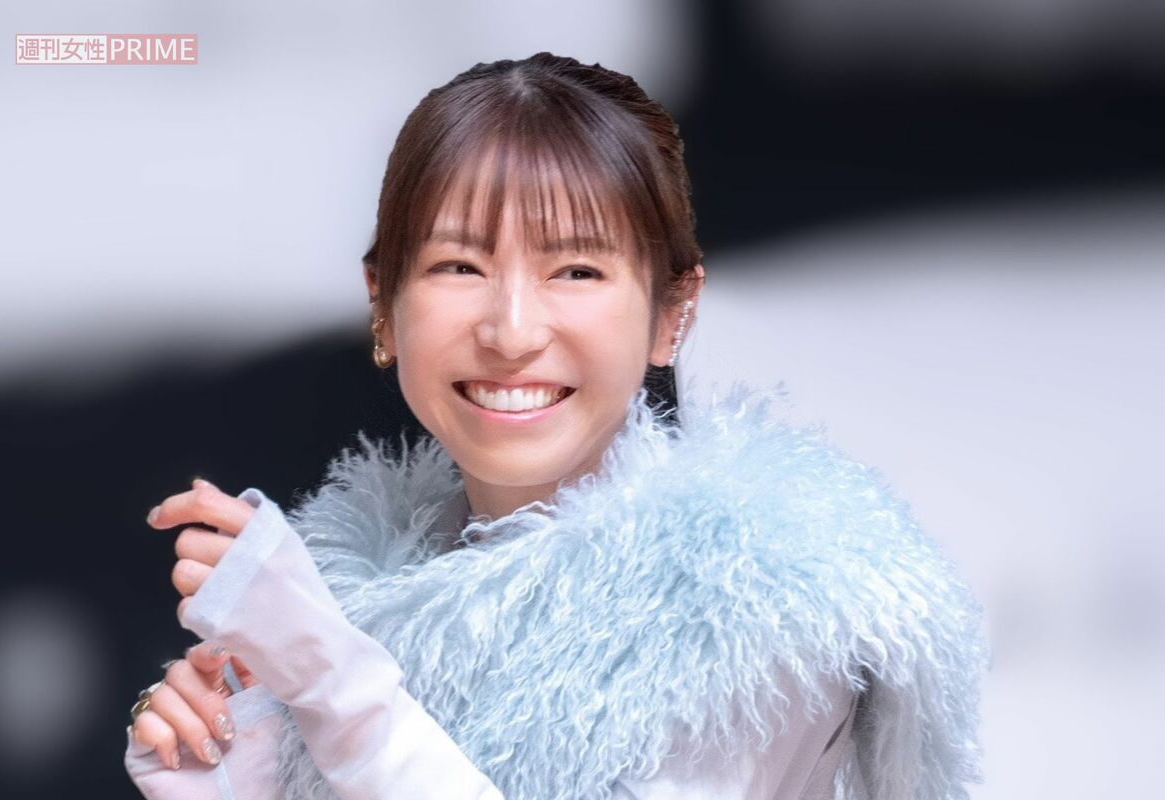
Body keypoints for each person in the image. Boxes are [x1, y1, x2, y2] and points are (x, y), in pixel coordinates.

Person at [124, 53, 988, 800]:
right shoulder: (361, 600)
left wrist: (327, 676)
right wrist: (240, 773)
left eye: (575, 269)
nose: (511, 332)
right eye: (459, 265)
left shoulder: (760, 598)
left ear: (670, 313)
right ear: (383, 305)